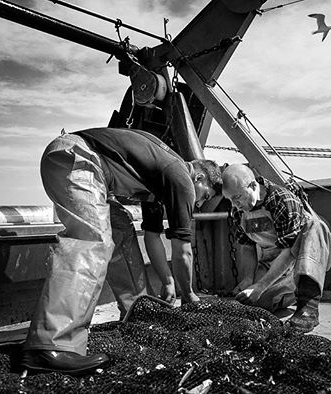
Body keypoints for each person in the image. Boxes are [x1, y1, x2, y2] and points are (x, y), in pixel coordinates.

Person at [22, 127, 222, 375]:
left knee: (121, 230)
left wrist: (168, 282)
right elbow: (183, 251)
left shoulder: (160, 184)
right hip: (79, 158)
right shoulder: (182, 178)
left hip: (91, 168)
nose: (200, 203)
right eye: (205, 196)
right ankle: (50, 345)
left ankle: (135, 313)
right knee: (91, 239)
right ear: (200, 178)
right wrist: (188, 294)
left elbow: (152, 237)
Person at [221, 164, 331, 332]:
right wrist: (247, 280)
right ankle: (283, 297)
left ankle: (308, 308)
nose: (235, 205)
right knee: (251, 306)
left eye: (237, 197)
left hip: (298, 263)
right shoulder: (239, 211)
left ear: (253, 186)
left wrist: (260, 286)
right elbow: (247, 248)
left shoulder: (282, 200)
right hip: (272, 269)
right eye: (230, 200)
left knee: (314, 225)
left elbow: (289, 252)